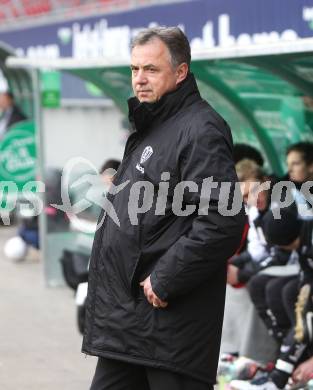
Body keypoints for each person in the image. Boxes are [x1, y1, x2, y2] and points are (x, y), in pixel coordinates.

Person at [82, 27, 245, 390]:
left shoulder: (200, 129)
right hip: (129, 325)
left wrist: (165, 277)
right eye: (135, 69)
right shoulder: (153, 124)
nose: (139, 79)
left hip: (169, 327)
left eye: (151, 70)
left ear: (181, 72)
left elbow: (223, 220)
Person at [230, 206, 313, 390]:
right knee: (295, 298)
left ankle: (282, 376)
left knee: (300, 302)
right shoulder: (303, 238)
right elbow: (307, 275)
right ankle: (282, 373)